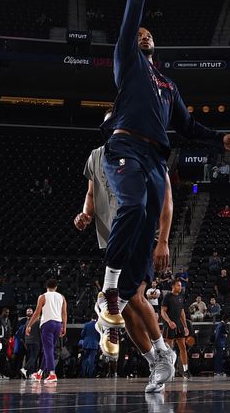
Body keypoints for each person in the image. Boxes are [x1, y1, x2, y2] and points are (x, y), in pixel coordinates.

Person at [96, 0, 230, 356]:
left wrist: (221, 140)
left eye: (146, 34)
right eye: (137, 33)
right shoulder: (127, 61)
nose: (141, 34)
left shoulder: (167, 84)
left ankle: (129, 312)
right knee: (133, 205)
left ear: (155, 44)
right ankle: (108, 290)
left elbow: (189, 126)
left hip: (156, 158)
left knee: (146, 246)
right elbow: (132, 11)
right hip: (125, 146)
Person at [75, 130, 177, 394]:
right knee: (126, 310)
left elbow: (167, 200)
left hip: (140, 237)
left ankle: (162, 351)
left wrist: (163, 240)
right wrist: (86, 214)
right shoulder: (96, 156)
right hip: (112, 240)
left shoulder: (148, 153)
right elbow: (91, 192)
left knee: (133, 295)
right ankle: (154, 361)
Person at [25, 279, 67, 383]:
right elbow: (64, 313)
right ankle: (39, 373)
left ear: (46, 287)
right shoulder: (61, 297)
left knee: (48, 350)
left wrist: (29, 325)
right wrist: (64, 327)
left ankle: (52, 374)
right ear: (56, 287)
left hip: (47, 324)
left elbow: (37, 313)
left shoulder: (43, 296)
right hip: (58, 324)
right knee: (49, 350)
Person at [160, 279, 190, 379]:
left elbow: (182, 313)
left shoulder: (181, 297)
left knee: (183, 347)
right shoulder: (167, 297)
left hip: (179, 324)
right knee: (169, 349)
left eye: (181, 286)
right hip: (169, 325)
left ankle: (185, 370)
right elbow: (163, 312)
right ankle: (169, 371)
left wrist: (185, 326)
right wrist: (169, 322)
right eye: (178, 285)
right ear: (173, 286)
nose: (180, 287)